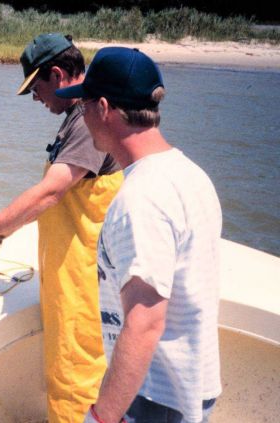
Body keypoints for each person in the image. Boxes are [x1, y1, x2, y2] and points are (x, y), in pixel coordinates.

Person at [0, 34, 123, 423]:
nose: (36, 99)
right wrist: (2, 233)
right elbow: (65, 200)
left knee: (75, 383)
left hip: (84, 288)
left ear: (56, 74)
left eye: (36, 89)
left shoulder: (86, 122)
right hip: (69, 278)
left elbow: (51, 192)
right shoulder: (79, 117)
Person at [55, 47, 222, 423]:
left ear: (103, 108)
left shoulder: (140, 199)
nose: (82, 116)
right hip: (191, 385)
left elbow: (145, 321)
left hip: (156, 395)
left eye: (82, 107)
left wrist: (101, 417)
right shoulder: (190, 174)